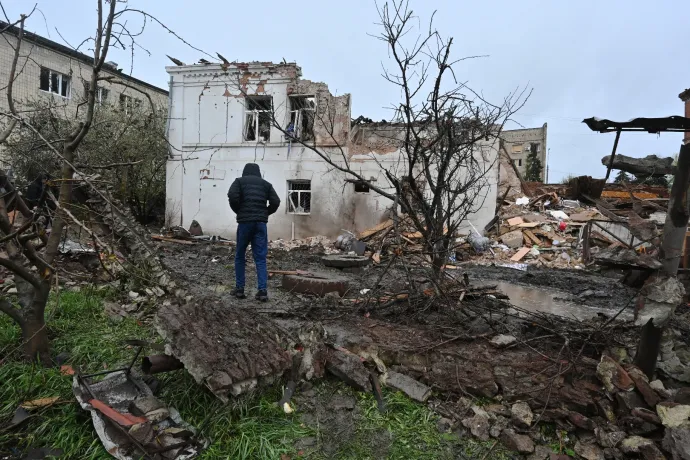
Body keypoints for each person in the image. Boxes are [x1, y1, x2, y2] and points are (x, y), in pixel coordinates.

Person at [227, 163, 281, 301]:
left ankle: (239, 289)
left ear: (245, 172)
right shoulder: (266, 184)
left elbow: (232, 196)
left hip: (245, 223)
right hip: (260, 224)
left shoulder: (239, 182)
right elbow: (276, 201)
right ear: (258, 173)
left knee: (240, 255)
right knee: (260, 258)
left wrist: (239, 210)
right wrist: (265, 213)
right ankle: (262, 291)